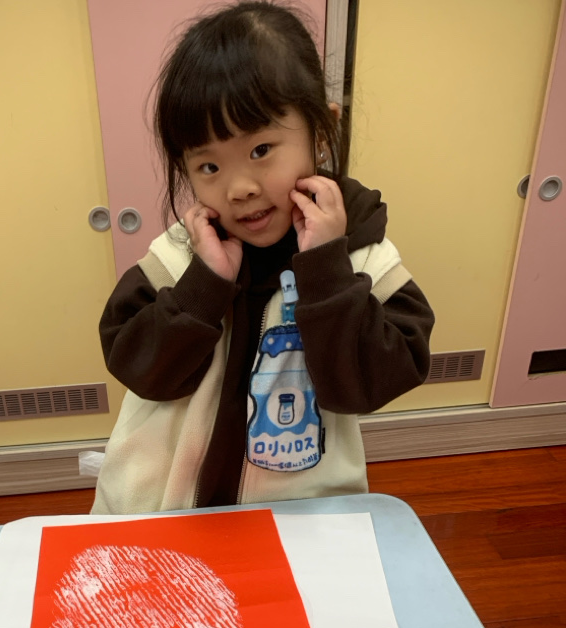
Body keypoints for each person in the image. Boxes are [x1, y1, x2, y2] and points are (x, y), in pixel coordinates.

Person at [91, 0, 434, 514]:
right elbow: (136, 365)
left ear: (322, 133)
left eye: (260, 151)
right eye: (209, 166)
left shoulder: (359, 255)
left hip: (299, 520)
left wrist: (327, 273)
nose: (240, 188)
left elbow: (377, 379)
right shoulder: (184, 253)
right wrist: (203, 287)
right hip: (162, 514)